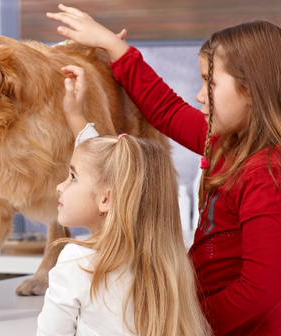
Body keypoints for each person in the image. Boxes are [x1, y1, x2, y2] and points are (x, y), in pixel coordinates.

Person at [47, 4, 281, 335]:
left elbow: (261, 292)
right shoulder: (224, 142)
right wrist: (114, 47)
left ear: (251, 91)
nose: (200, 96)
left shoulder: (267, 176)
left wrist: (185, 322)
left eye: (209, 84)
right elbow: (166, 110)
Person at [37, 64, 211, 335]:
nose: (60, 186)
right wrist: (75, 114)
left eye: (71, 177)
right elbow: (109, 171)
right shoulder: (167, 265)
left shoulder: (75, 261)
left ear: (106, 200)